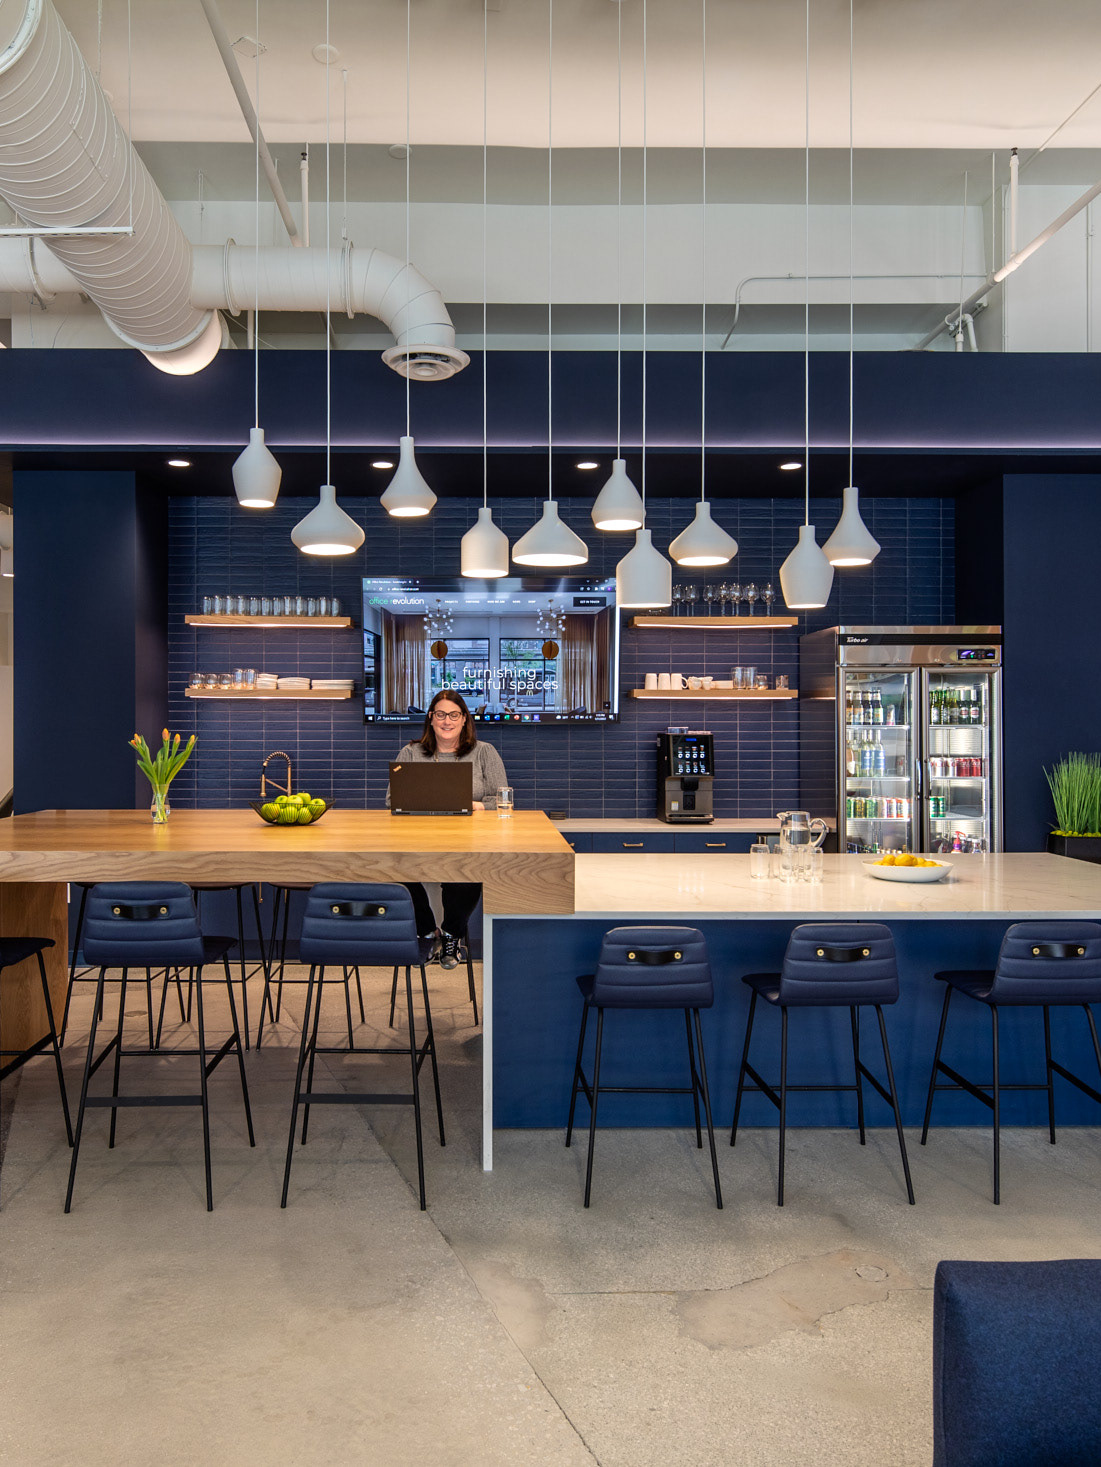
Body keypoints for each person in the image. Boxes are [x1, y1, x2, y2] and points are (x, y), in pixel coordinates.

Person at [390, 689, 509, 969]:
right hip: (418, 841)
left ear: (465, 719)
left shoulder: (484, 752)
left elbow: (502, 799)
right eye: (441, 714)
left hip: (468, 840)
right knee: (392, 868)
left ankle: (451, 936)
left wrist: (476, 805)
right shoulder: (410, 753)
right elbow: (392, 800)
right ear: (431, 718)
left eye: (454, 715)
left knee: (469, 874)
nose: (447, 721)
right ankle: (426, 932)